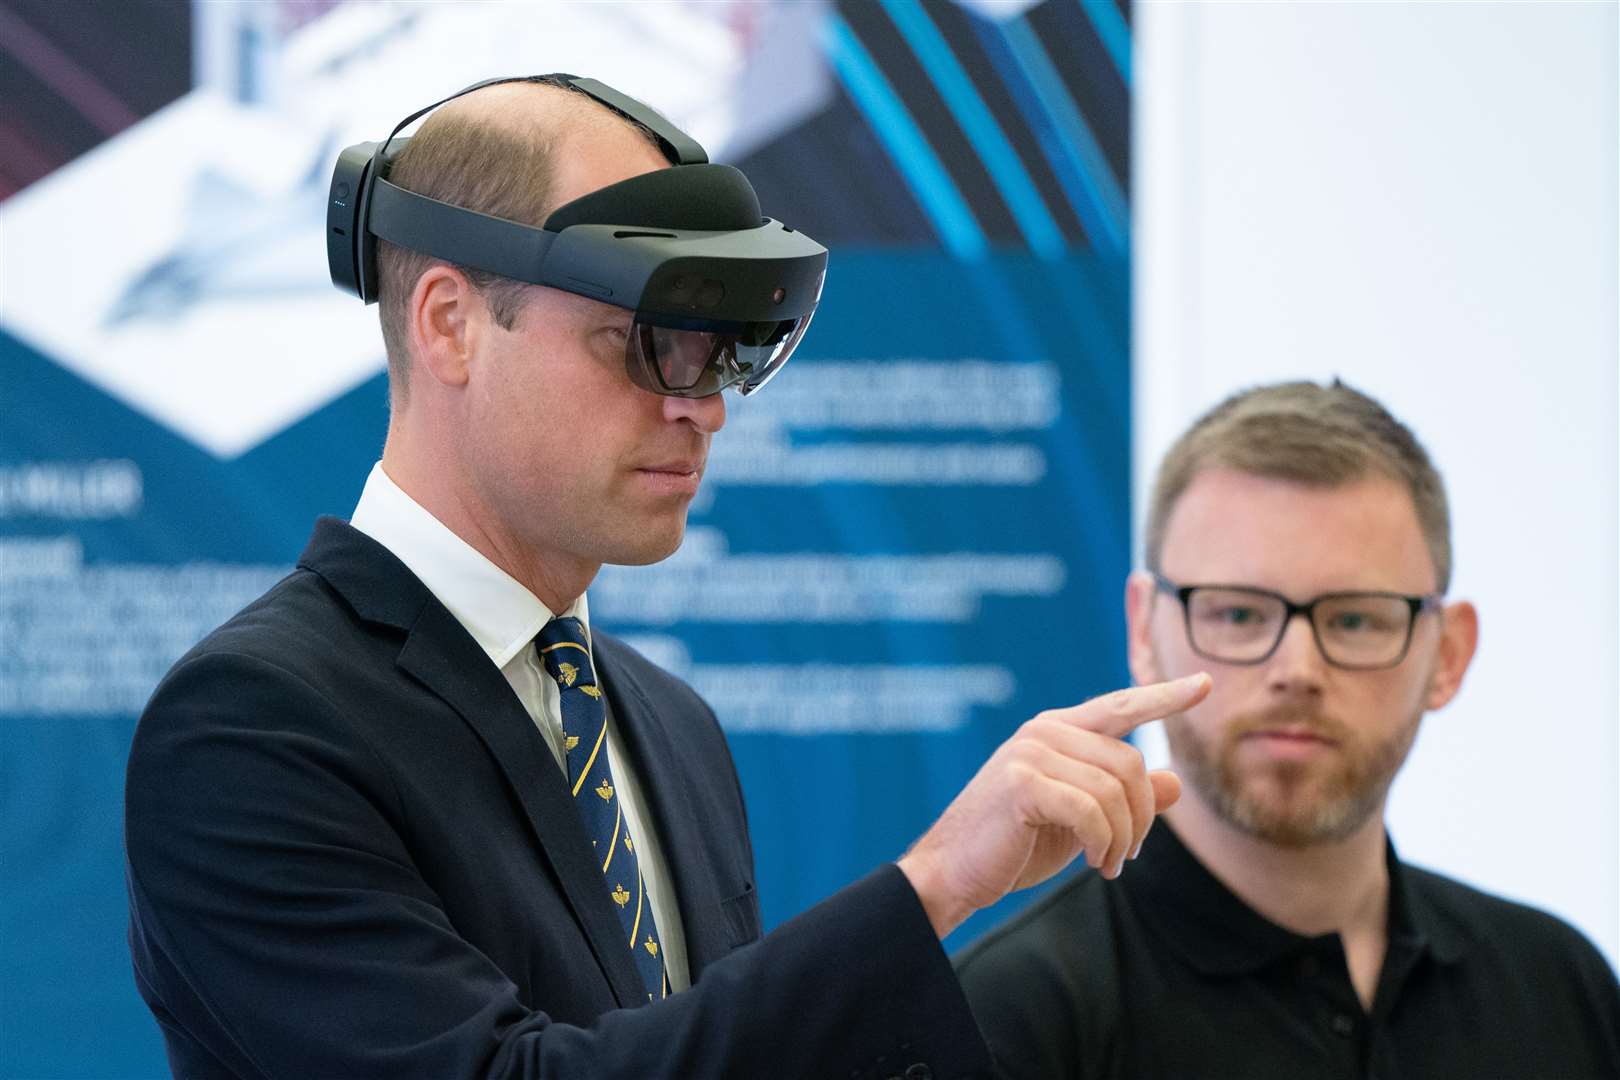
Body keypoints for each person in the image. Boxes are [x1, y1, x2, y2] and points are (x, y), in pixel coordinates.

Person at [124, 75, 1210, 1079]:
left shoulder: (664, 721)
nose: (703, 405)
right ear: (450, 324)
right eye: (645, 340)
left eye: (722, 352)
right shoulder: (253, 728)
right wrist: (934, 887)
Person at [954, 380, 1620, 1079]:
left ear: (1448, 654)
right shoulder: (1012, 1019)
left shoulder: (1560, 989)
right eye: (1239, 615)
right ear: (1145, 631)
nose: (1296, 669)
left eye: (1355, 618)